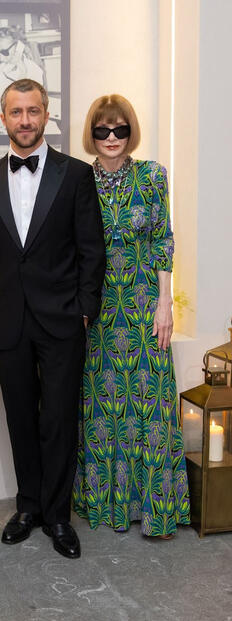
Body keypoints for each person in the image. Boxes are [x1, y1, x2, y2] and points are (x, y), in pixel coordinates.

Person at [0, 78, 105, 559]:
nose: (25, 120)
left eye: (33, 111)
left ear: (47, 114)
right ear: (3, 117)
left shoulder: (76, 175)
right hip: (7, 320)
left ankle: (58, 515)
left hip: (63, 319)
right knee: (20, 417)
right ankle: (27, 506)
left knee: (59, 418)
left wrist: (85, 310)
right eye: (16, 112)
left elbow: (92, 249)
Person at [73, 94, 190, 537]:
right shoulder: (79, 180)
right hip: (97, 305)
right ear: (92, 133)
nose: (111, 137)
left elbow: (163, 240)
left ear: (130, 131)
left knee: (151, 401)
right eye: (102, 130)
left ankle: (155, 506)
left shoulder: (153, 175)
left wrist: (166, 303)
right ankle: (110, 503)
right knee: (104, 404)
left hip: (143, 304)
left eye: (119, 129)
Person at [0, 27, 46, 129]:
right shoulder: (1, 68)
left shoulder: (34, 70)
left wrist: (22, 72)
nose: (1, 58)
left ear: (18, 47)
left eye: (5, 52)